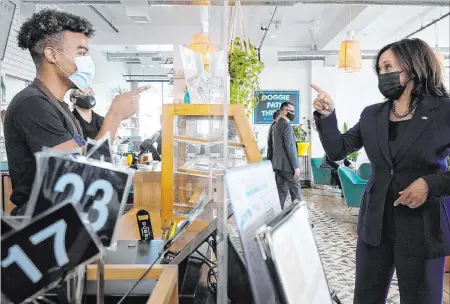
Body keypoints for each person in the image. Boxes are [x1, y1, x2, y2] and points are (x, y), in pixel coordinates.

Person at [312, 38, 450, 304]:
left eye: (388, 66)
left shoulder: (444, 110)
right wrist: (327, 116)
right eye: (379, 69)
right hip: (375, 228)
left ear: (413, 65)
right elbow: (338, 150)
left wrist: (430, 185)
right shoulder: (372, 114)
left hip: (423, 227)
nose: (382, 75)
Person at [3, 9, 150, 214]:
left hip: (66, 216)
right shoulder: (32, 105)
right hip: (43, 225)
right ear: (52, 55)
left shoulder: (58, 105)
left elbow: (83, 161)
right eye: (81, 53)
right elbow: (81, 176)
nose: (87, 61)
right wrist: (114, 116)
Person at [271, 102, 301, 208]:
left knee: (281, 193)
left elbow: (272, 146)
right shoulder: (286, 126)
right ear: (284, 111)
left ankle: (277, 218)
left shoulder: (275, 125)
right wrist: (296, 167)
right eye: (291, 111)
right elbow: (291, 147)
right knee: (296, 193)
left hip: (278, 166)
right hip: (288, 167)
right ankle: (299, 216)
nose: (293, 114)